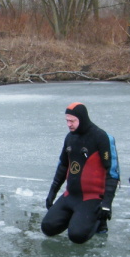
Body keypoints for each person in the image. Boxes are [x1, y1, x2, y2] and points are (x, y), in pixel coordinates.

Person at [42, 102, 119, 243]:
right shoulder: (70, 137)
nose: (69, 124)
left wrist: (107, 203)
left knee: (77, 236)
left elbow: (113, 172)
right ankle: (78, 217)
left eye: (72, 121)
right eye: (67, 121)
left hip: (92, 196)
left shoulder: (101, 137)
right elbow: (63, 166)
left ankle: (99, 223)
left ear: (82, 119)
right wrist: (52, 192)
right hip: (71, 195)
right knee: (47, 227)